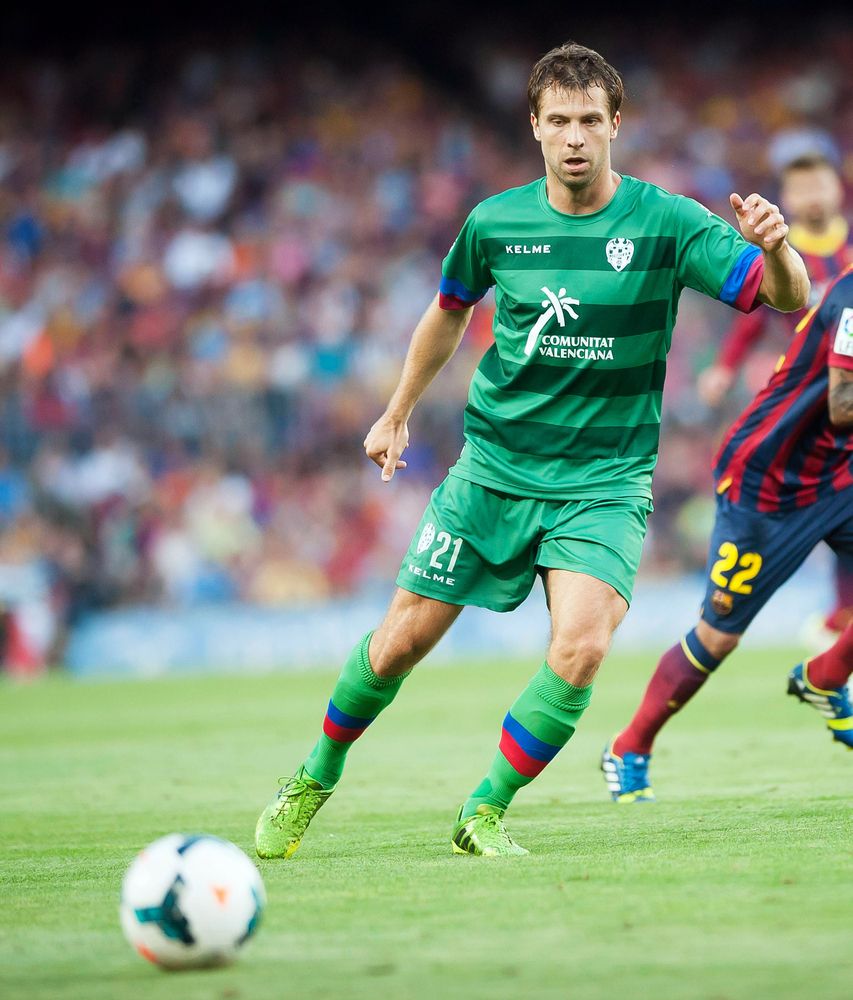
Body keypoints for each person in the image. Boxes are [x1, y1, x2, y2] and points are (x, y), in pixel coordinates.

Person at [254, 41, 809, 859]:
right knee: (399, 642)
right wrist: (397, 412)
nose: (574, 136)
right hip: (493, 470)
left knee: (581, 648)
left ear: (615, 124)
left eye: (588, 120)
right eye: (558, 121)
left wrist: (776, 247)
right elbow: (448, 309)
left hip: (604, 481)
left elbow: (785, 297)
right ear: (534, 127)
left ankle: (483, 811)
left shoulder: (666, 222)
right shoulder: (495, 223)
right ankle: (314, 773)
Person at [603, 265, 853, 804]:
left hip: (839, 475)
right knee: (718, 636)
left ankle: (825, 676)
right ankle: (630, 745)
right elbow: (843, 405)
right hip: (767, 485)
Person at [698, 154, 853, 644]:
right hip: (804, 402)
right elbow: (755, 319)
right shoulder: (783, 253)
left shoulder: (851, 249)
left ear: (837, 190)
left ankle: (839, 618)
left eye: (819, 185)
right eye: (801, 189)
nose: (812, 197)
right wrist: (724, 367)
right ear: (787, 198)